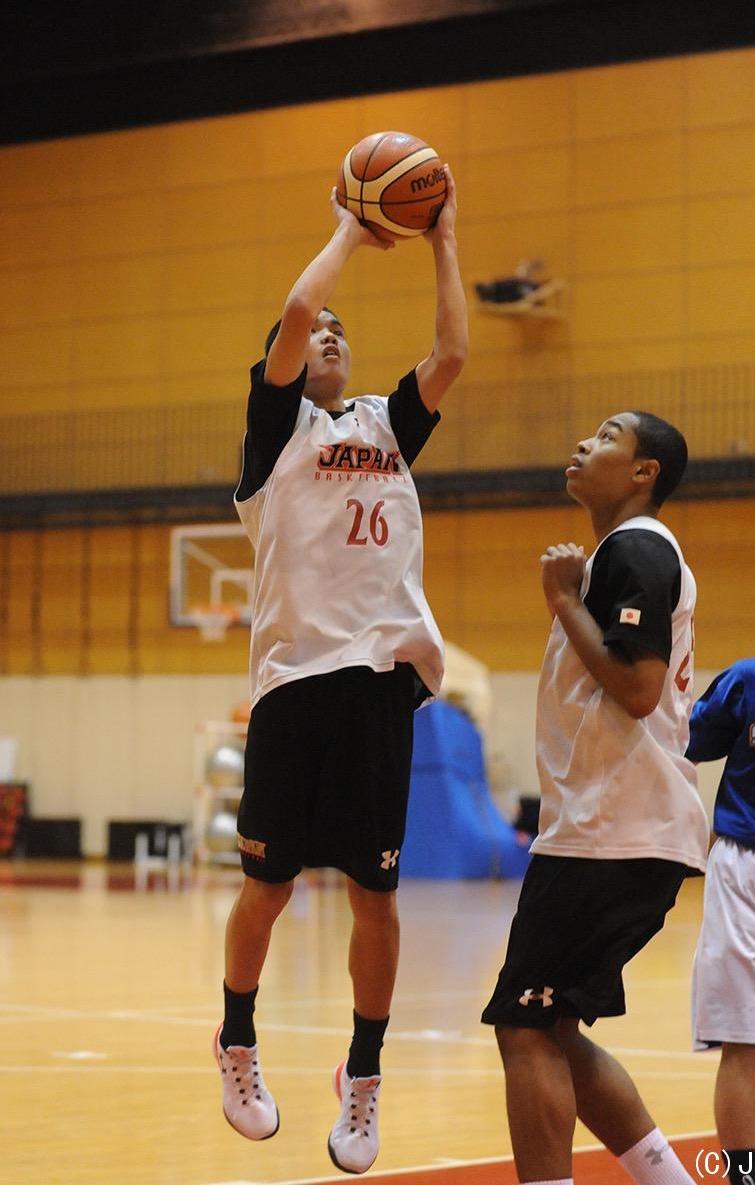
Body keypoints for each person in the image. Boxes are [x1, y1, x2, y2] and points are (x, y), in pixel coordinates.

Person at [212, 166, 466, 1175]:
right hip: (292, 684)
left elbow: (452, 353)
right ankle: (237, 1039)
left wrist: (443, 238)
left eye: (341, 332)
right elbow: (294, 310)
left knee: (376, 897)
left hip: (378, 687)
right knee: (267, 889)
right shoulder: (278, 431)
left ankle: (364, 1074)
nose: (328, 335)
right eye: (317, 332)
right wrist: (353, 230)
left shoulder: (385, 425)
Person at [481, 411, 709, 1185]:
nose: (583, 442)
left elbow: (638, 689)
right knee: (553, 1028)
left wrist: (562, 601)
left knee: (525, 1028)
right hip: (620, 828)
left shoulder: (638, 548)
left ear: (645, 471)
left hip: (612, 830)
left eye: (609, 436)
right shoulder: (626, 553)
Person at [689, 544, 755, 1185]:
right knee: (744, 1038)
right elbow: (680, 745)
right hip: (744, 868)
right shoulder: (748, 682)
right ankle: (743, 1176)